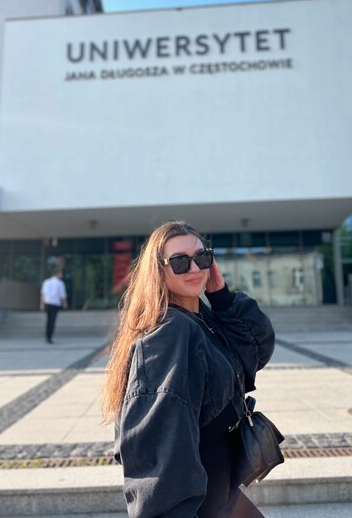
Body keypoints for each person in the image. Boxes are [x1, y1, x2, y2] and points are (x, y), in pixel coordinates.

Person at [102, 221, 275, 517]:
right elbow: (156, 445)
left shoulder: (202, 319)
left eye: (202, 257)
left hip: (222, 493)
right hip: (198, 502)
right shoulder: (170, 333)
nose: (194, 268)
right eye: (180, 262)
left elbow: (256, 351)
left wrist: (221, 296)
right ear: (158, 271)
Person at [40, 268, 68, 343]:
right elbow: (62, 295)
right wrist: (64, 303)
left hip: (47, 302)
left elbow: (43, 294)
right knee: (52, 320)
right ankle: (49, 337)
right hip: (55, 303)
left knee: (48, 320)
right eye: (61, 274)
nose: (62, 275)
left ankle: (47, 336)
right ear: (57, 274)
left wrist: (42, 304)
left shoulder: (46, 282)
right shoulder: (60, 283)